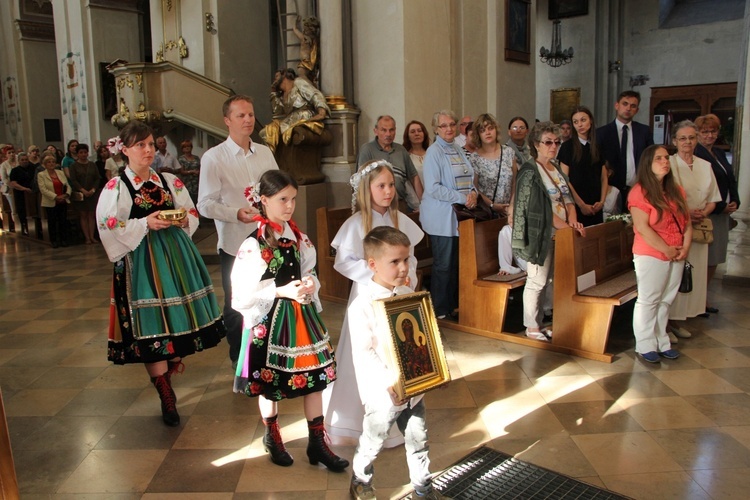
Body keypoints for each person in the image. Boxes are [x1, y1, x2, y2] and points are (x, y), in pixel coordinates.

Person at [96, 120, 226, 427]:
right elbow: (106, 224)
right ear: (124, 150)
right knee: (151, 324)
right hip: (140, 260)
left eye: (151, 144)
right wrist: (144, 223)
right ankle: (164, 389)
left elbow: (191, 213)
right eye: (140, 145)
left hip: (175, 257)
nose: (148, 150)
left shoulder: (169, 181)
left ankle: (168, 370)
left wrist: (180, 220)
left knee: (178, 319)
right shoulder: (117, 186)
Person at [231, 169, 348, 472]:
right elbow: (242, 293)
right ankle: (272, 436)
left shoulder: (298, 237)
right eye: (282, 199)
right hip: (268, 323)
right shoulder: (253, 244)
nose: (289, 206)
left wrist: (310, 285)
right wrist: (280, 290)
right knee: (271, 384)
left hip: (300, 319)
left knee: (314, 379)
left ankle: (317, 443)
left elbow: (308, 271)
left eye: (293, 199)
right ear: (264, 200)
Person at [324, 159, 423, 446]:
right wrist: (378, 276)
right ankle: (354, 424)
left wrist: (407, 276)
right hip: (370, 294)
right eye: (381, 186)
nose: (388, 191)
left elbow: (411, 257)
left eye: (391, 185)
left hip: (398, 294)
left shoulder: (400, 220)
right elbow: (344, 262)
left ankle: (401, 420)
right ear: (367, 190)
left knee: (397, 351)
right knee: (367, 354)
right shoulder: (356, 224)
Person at [348, 226, 446, 500]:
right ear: (373, 264)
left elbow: (419, 339)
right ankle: (361, 479)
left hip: (414, 389)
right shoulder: (362, 305)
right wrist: (389, 381)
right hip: (383, 393)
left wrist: (431, 365)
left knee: (418, 439)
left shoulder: (407, 295)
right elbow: (365, 351)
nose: (404, 268)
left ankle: (423, 489)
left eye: (406, 259)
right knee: (373, 442)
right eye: (395, 261)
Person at [198, 95, 279, 367]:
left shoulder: (265, 152)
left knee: (269, 295)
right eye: (241, 116)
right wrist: (235, 213)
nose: (248, 120)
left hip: (266, 238)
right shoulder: (214, 158)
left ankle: (267, 352)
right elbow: (205, 205)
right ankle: (239, 359)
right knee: (236, 304)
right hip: (234, 242)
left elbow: (277, 189)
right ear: (227, 120)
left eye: (251, 115)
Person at [512, 121, 584, 341]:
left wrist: (572, 220)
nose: (553, 146)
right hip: (539, 234)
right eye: (548, 142)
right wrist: (566, 226)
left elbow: (568, 198)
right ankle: (531, 326)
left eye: (556, 142)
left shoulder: (558, 168)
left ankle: (543, 322)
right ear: (536, 144)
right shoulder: (529, 170)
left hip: (560, 233)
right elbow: (537, 208)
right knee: (537, 280)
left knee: (551, 280)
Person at [628, 145, 690, 363]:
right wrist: (666, 249)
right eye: (659, 158)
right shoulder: (640, 192)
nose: (665, 162)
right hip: (651, 253)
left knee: (666, 300)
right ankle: (645, 344)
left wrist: (685, 247)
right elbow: (643, 228)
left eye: (666, 158)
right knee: (649, 300)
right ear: (648, 163)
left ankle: (662, 341)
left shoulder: (676, 190)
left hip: (676, 252)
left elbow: (687, 222)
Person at [420, 109, 477, 320]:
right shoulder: (434, 152)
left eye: (452, 124)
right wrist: (464, 198)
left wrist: (473, 194)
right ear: (436, 129)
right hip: (440, 216)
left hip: (459, 215)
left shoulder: (458, 149)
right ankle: (439, 309)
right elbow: (433, 188)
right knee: (443, 264)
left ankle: (452, 305)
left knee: (455, 263)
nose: (449, 129)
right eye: (444, 126)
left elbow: (470, 177)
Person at [667, 120, 721, 339]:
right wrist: (687, 213)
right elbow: (666, 197)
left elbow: (714, 198)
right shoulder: (669, 163)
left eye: (691, 137)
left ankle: (680, 319)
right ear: (674, 141)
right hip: (677, 226)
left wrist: (703, 213)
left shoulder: (704, 165)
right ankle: (666, 322)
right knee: (676, 276)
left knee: (693, 276)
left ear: (697, 139)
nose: (687, 142)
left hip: (699, 228)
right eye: (682, 138)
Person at [694, 114, 740, 314]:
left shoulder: (719, 154)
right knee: (707, 257)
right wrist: (721, 206)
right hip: (709, 211)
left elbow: (730, 179)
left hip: (723, 211)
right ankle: (698, 300)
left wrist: (735, 200)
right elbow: (703, 187)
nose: (709, 135)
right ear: (698, 133)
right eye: (705, 132)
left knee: (716, 258)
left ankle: (704, 298)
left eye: (713, 131)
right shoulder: (697, 153)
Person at [596, 90, 654, 209]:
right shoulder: (602, 133)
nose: (628, 108)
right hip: (610, 189)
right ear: (617, 105)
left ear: (637, 110)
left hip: (637, 188)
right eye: (625, 104)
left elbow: (650, 159)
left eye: (633, 106)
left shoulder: (644, 131)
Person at [358, 115, 424, 212]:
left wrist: (424, 204)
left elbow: (414, 177)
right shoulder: (367, 150)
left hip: (399, 204)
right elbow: (362, 181)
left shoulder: (401, 150)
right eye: (384, 130)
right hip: (376, 206)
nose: (388, 134)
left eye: (391, 130)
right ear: (375, 131)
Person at [557, 106, 608, 227]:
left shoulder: (597, 146)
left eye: (583, 120)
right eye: (575, 122)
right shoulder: (567, 147)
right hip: (576, 204)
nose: (579, 124)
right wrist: (581, 205)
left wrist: (602, 201)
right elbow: (564, 179)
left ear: (590, 120)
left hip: (596, 203)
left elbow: (604, 177)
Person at [260, 68, 330, 153]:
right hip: (289, 119)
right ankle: (269, 159)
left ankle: (269, 160)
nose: (274, 80)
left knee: (269, 133)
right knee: (265, 133)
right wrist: (274, 93)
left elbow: (315, 94)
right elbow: (277, 113)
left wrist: (321, 111)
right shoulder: (281, 95)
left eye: (276, 76)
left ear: (284, 74)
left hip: (303, 115)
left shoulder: (298, 82)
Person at [469, 113, 517, 218]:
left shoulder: (508, 152)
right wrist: (492, 205)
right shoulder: (474, 158)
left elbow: (515, 182)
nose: (487, 133)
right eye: (482, 130)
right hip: (487, 212)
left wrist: (512, 205)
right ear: (478, 135)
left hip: (509, 211)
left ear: (496, 130)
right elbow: (475, 188)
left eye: (490, 128)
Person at [68, 143, 101, 244]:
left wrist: (93, 189)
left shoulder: (92, 164)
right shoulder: (73, 166)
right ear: (77, 154)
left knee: (91, 214)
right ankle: (87, 237)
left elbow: (97, 178)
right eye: (81, 152)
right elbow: (73, 180)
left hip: (92, 193)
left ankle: (92, 236)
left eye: (85, 152)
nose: (83, 154)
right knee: (83, 215)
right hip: (81, 193)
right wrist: (82, 190)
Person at [37, 153, 71, 247]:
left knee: (62, 221)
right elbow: (43, 189)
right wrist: (56, 196)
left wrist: (67, 194)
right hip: (51, 201)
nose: (51, 164)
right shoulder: (41, 175)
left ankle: (64, 240)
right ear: (45, 164)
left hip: (63, 199)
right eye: (49, 162)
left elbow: (67, 185)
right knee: (52, 222)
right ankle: (54, 241)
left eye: (53, 162)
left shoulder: (60, 172)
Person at [9, 152, 35, 235]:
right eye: (22, 160)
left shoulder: (33, 168)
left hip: (32, 192)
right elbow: (13, 183)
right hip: (20, 194)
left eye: (26, 159)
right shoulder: (15, 171)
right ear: (19, 161)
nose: (25, 161)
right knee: (22, 210)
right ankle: (24, 226)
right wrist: (24, 189)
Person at [402, 120, 430, 187]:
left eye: (419, 131)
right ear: (408, 136)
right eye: (412, 132)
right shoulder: (406, 156)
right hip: (414, 195)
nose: (417, 134)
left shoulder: (431, 153)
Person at [0, 144, 18, 231]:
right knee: (14, 207)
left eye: (13, 152)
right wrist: (12, 185)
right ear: (6, 155)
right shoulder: (4, 165)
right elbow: (4, 178)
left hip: (21, 187)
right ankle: (17, 225)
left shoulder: (19, 161)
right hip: (10, 189)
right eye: (9, 153)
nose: (11, 154)